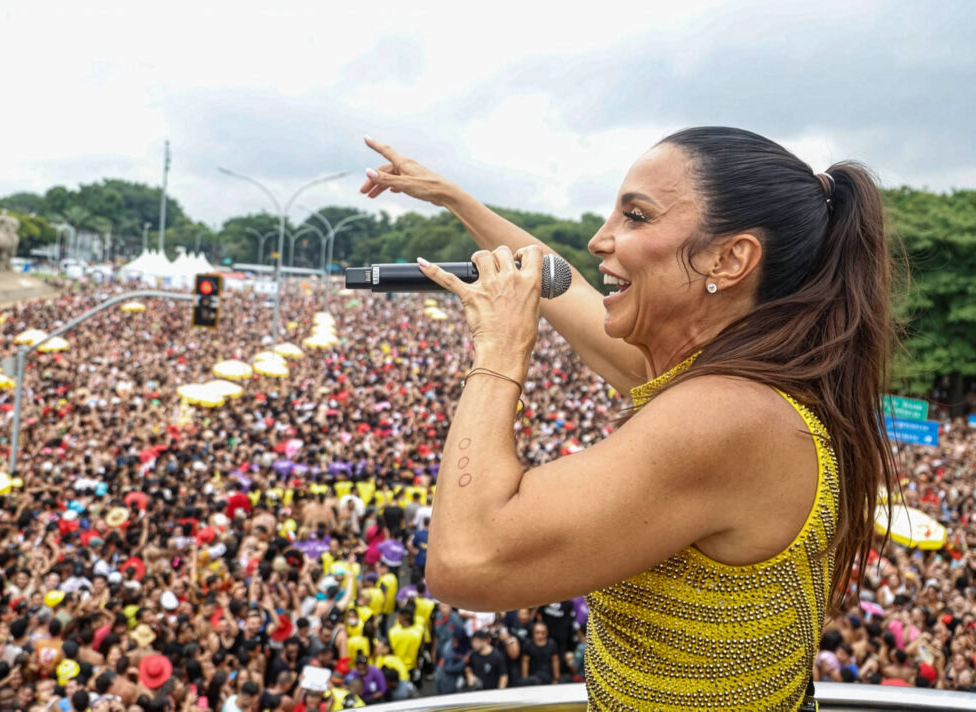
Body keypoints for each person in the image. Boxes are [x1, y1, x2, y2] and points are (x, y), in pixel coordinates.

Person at [360, 127, 899, 710]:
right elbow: (563, 290)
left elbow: (465, 560)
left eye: (635, 217)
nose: (598, 241)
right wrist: (455, 199)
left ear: (731, 257)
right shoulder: (732, 380)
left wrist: (497, 351)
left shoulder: (728, 415)